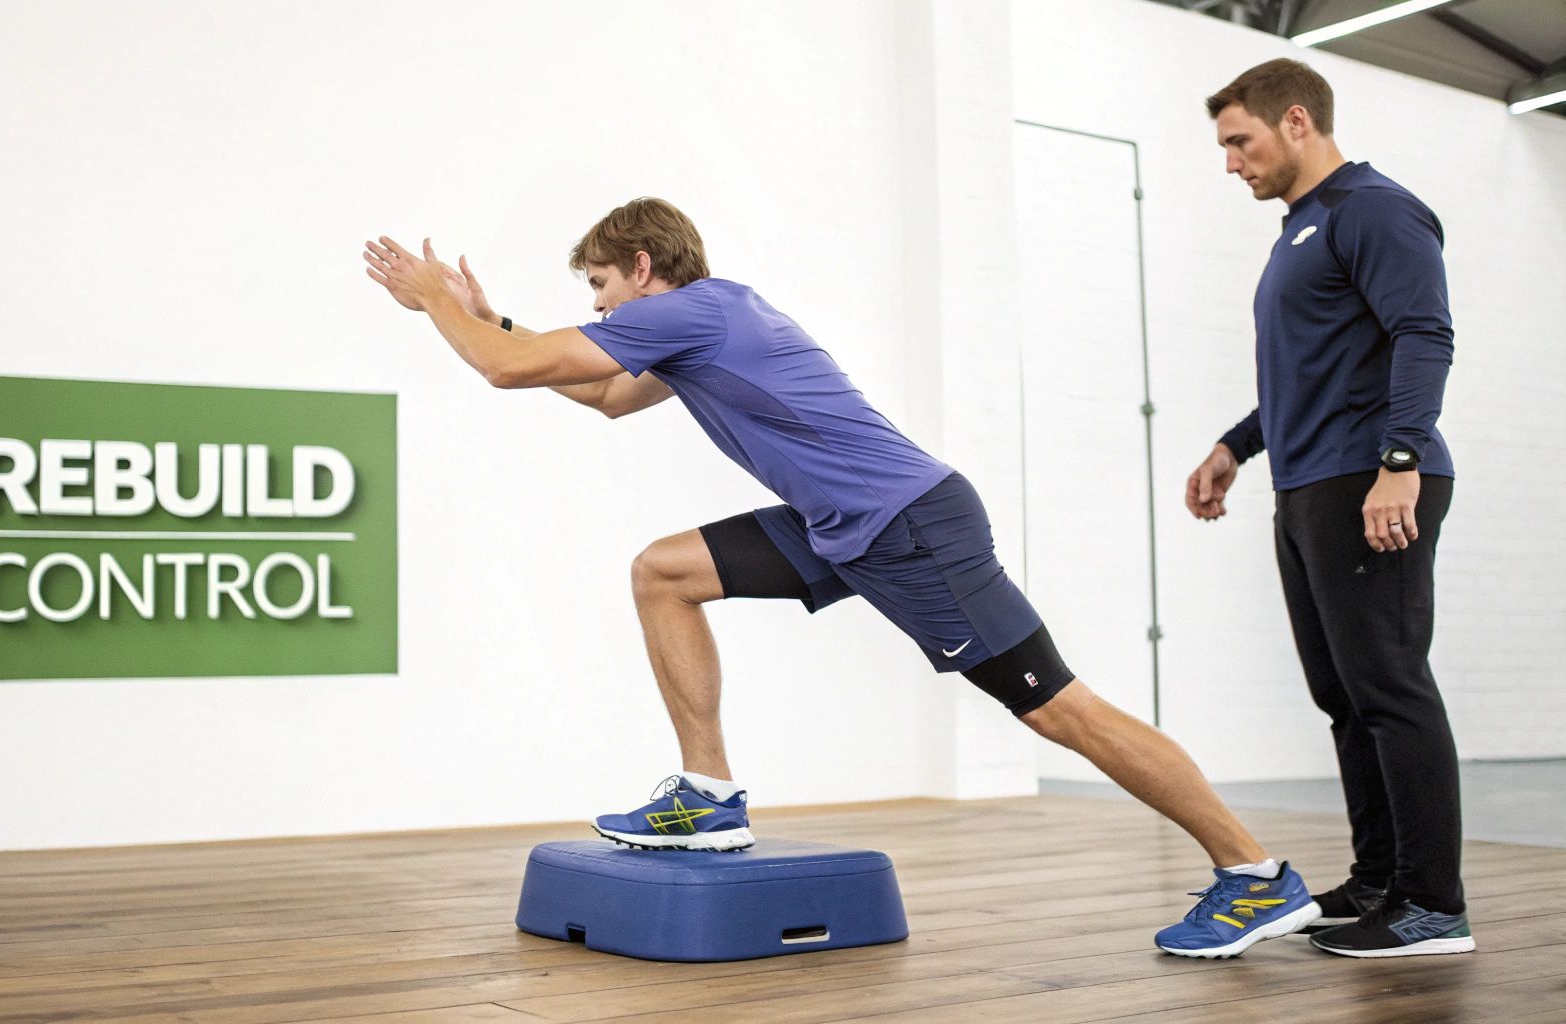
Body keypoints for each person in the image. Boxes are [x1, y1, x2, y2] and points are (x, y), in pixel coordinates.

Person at [366, 197, 1318, 958]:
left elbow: (504, 372)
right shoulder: (703, 319)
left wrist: (438, 305)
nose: (602, 307)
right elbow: (607, 397)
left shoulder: (693, 312)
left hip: (911, 527)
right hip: (842, 528)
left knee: (1058, 709)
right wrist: (486, 316)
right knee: (664, 573)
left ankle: (1253, 873)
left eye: (604, 287)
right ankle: (709, 795)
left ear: (647, 270)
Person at [1188, 58, 1471, 958]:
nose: (1232, 161)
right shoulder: (1300, 231)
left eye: (1241, 140)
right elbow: (1307, 375)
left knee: (1389, 685)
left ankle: (1434, 907)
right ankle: (1383, 878)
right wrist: (1236, 445)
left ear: (1297, 121)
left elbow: (1425, 333)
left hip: (1370, 477)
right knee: (1344, 695)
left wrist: (1402, 463)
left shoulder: (1374, 210)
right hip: (1309, 481)